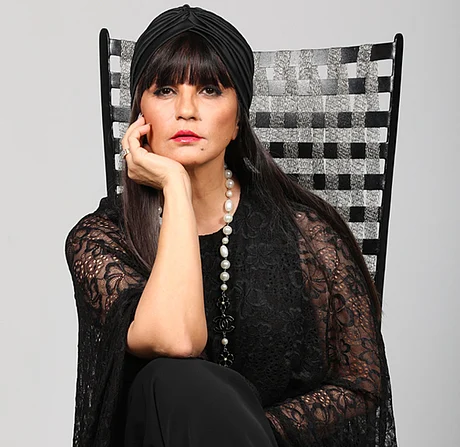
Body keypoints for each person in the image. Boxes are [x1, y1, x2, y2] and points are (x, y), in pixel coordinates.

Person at [65, 4, 397, 447]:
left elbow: (360, 384)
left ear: (239, 117)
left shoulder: (307, 234)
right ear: (139, 114)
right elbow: (177, 340)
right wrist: (175, 186)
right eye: (165, 90)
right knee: (169, 379)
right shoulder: (100, 240)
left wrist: (243, 430)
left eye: (209, 90)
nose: (186, 110)